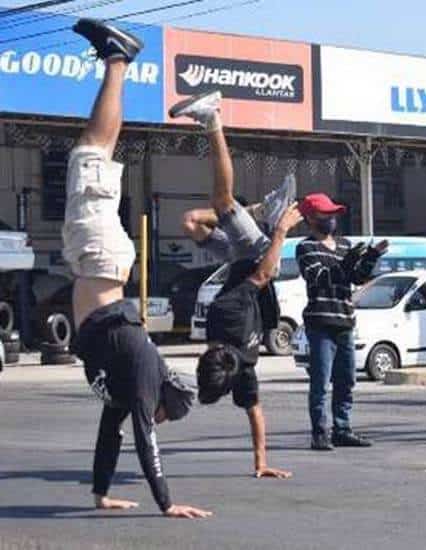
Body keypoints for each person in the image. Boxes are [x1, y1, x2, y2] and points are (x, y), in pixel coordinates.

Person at [63, 19, 210, 519]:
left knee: (91, 156)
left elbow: (112, 435)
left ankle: (116, 61)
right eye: (166, 413)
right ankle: (118, 59)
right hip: (100, 257)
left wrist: (100, 493)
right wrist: (166, 504)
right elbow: (147, 442)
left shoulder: (129, 389)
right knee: (91, 155)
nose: (158, 419)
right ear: (165, 395)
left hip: (94, 260)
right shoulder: (147, 373)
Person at [170, 91, 302, 479]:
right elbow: (262, 276)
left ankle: (255, 209)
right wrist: (279, 231)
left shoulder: (240, 364)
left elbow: (254, 413)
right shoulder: (227, 326)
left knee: (194, 221)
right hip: (258, 255)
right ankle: (212, 118)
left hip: (238, 262)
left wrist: (261, 463)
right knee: (223, 200)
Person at [296, 195, 388, 450]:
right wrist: (346, 264)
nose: (332, 220)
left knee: (346, 380)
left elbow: (357, 277)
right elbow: (319, 277)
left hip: (345, 320)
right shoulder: (305, 248)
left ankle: (342, 428)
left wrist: (371, 256)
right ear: (312, 219)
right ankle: (319, 432)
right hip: (321, 322)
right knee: (320, 382)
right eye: (326, 215)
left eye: (333, 215)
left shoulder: (345, 245)